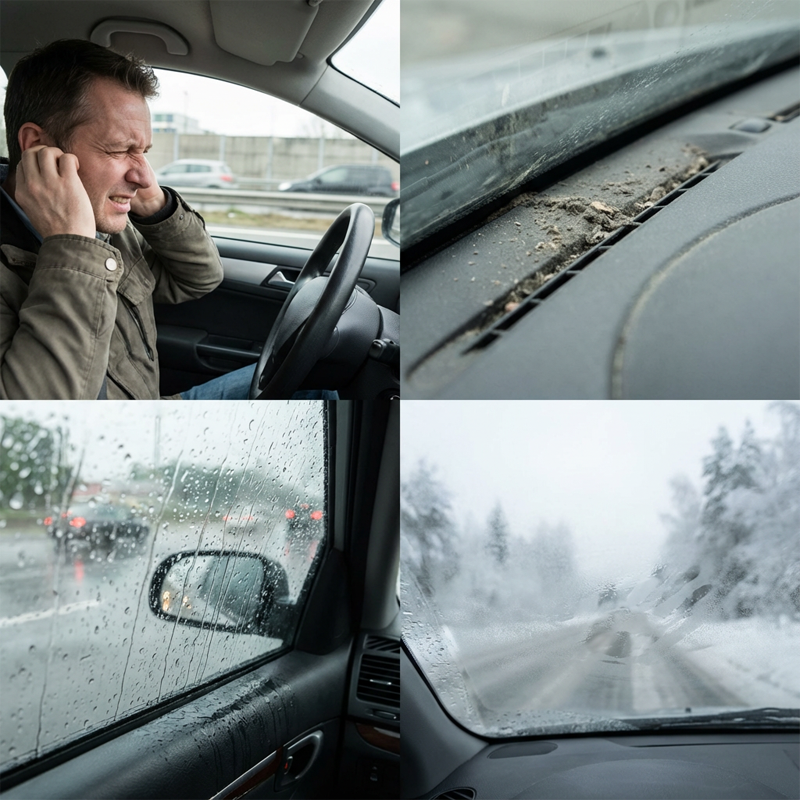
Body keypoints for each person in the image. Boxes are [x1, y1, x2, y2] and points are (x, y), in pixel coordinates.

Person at [0, 39, 274, 400]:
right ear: (37, 145)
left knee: (313, 377)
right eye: (119, 149)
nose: (144, 175)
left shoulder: (112, 226)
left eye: (143, 151)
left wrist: (154, 203)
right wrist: (72, 248)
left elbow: (200, 277)